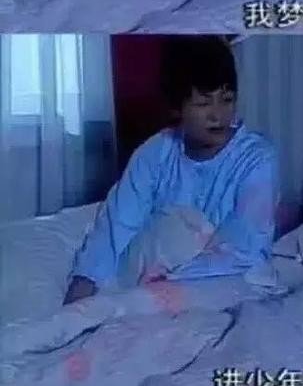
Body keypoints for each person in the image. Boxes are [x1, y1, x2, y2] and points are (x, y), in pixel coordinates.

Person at [63, 36, 280, 305]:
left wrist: (170, 283)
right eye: (203, 103)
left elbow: (244, 247)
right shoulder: (156, 153)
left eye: (226, 100)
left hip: (227, 282)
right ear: (177, 108)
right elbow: (117, 224)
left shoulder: (256, 159)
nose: (218, 115)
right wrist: (85, 281)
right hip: (154, 281)